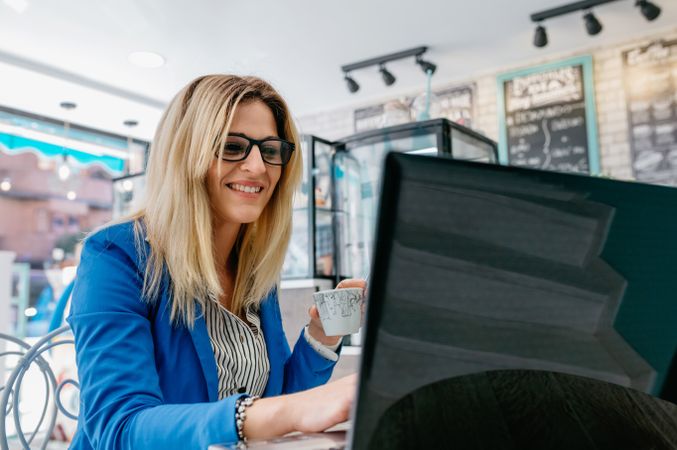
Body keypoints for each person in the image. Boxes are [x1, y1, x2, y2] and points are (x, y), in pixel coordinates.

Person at [67, 75, 366, 449]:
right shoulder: (115, 255)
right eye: (232, 146)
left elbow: (280, 402)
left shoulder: (253, 270)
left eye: (270, 150)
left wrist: (323, 336)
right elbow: (119, 427)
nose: (258, 167)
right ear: (184, 155)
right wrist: (276, 414)